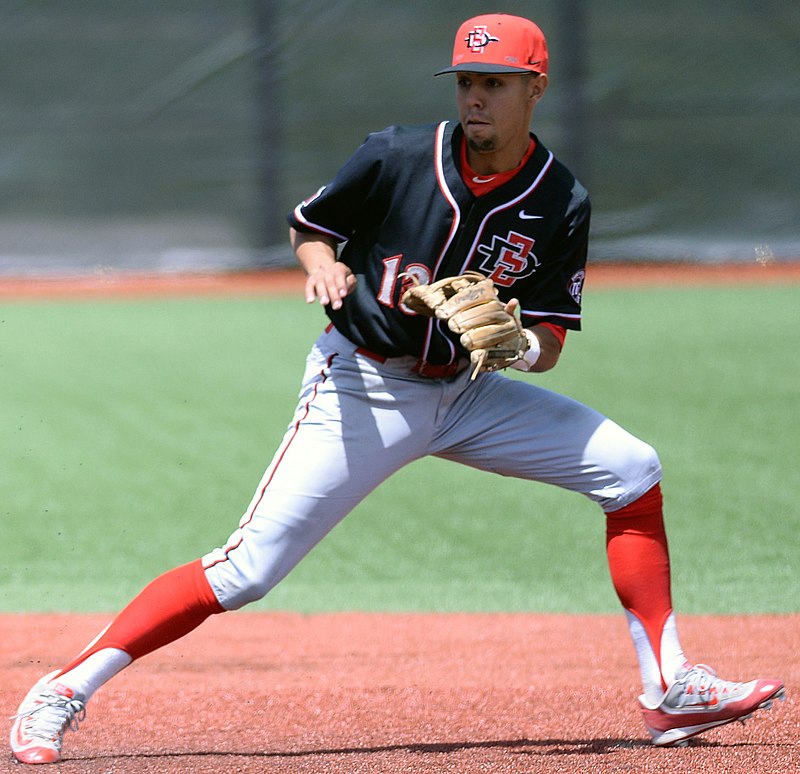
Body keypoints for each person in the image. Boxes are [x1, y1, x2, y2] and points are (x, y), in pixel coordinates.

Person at [10, 13, 784, 764]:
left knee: (631, 468)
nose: (475, 97)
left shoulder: (562, 199)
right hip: (365, 387)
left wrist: (517, 346)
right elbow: (310, 224)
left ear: (535, 87)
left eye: (495, 83)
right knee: (247, 569)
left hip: (470, 395)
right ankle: (64, 689)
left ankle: (669, 687)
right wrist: (322, 266)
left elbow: (550, 342)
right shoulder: (398, 155)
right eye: (467, 81)